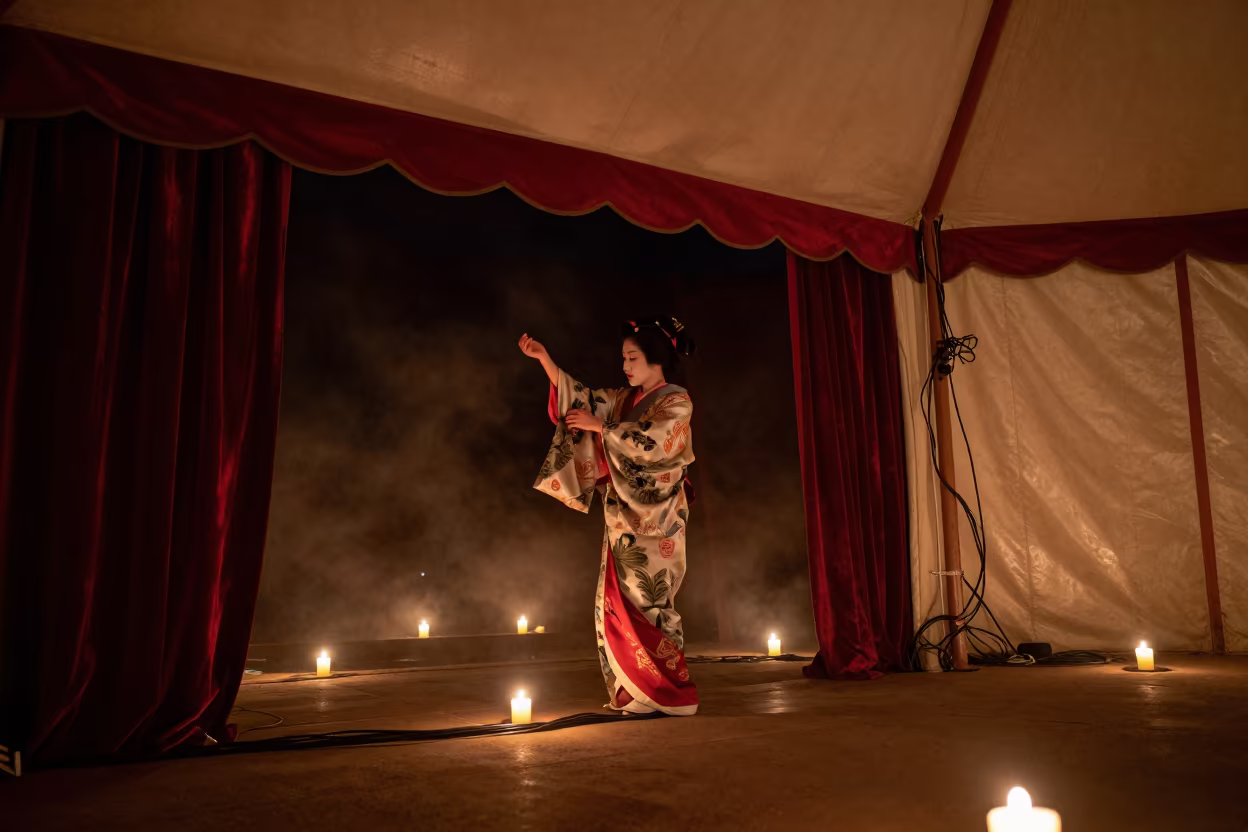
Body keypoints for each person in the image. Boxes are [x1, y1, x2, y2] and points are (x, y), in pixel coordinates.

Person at [518, 317, 698, 715]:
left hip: (658, 519)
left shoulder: (677, 402)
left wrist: (602, 427)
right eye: (624, 358)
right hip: (622, 518)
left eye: (633, 358)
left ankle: (671, 690)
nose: (625, 366)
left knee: (651, 600)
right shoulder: (622, 400)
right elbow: (580, 399)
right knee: (616, 600)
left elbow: (655, 446)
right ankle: (637, 689)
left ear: (656, 359)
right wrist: (545, 360)